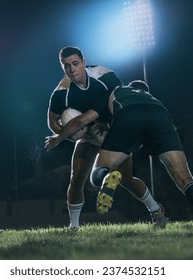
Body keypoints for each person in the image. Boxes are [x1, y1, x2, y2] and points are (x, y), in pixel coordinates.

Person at [46, 46, 166, 229]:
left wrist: (112, 124)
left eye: (75, 64)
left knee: (127, 179)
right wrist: (68, 136)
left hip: (114, 130)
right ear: (62, 67)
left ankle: (157, 211)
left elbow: (122, 103)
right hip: (88, 134)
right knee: (76, 177)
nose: (72, 69)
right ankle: (74, 226)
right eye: (66, 66)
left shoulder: (104, 76)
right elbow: (52, 120)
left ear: (84, 63)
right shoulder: (61, 92)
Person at [90, 80, 193, 231]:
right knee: (185, 179)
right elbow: (160, 139)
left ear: (131, 88)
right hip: (160, 118)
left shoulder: (120, 90)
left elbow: (90, 118)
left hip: (128, 117)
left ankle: (106, 176)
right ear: (147, 92)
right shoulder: (155, 101)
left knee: (99, 171)